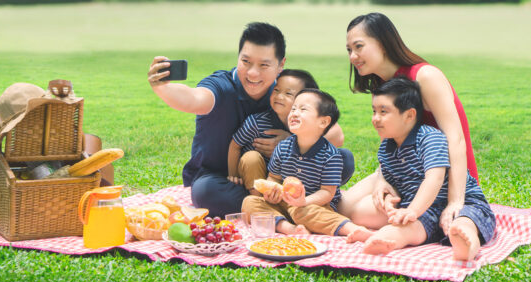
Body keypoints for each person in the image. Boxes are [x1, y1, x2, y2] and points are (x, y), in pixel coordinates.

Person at [147, 22, 353, 217]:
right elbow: (193, 99)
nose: (253, 73)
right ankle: (287, 208)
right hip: (226, 179)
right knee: (204, 192)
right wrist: (161, 87)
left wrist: (292, 140)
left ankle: (277, 206)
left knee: (343, 159)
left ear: (281, 64)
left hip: (279, 175)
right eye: (246, 62)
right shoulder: (221, 85)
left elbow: (336, 135)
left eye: (264, 65)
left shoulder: (284, 93)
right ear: (238, 57)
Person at [339, 12, 479, 235]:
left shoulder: (425, 76)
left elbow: (456, 139)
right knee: (342, 206)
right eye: (349, 50)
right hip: (405, 171)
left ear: (383, 43)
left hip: (441, 175)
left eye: (359, 46)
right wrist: (382, 181)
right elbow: (391, 148)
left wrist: (455, 202)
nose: (353, 56)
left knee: (359, 212)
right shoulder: (384, 86)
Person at [348, 78, 494, 260]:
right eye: (374, 111)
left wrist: (413, 210)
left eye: (383, 112)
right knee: (407, 228)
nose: (375, 119)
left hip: (459, 204)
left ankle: (466, 244)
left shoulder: (429, 138)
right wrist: (390, 201)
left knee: (465, 220)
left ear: (409, 115)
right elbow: (390, 180)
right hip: (425, 210)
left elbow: (434, 178)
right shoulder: (386, 147)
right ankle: (384, 239)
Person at [242, 89, 370, 238]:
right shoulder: (282, 147)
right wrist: (272, 193)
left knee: (305, 212)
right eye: (294, 108)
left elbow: (327, 192)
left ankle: (352, 229)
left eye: (303, 109)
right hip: (283, 203)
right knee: (250, 202)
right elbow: (274, 178)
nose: (294, 113)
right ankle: (288, 228)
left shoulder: (331, 155)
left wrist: (303, 201)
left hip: (312, 206)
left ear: (323, 121)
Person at [227, 69, 318, 195]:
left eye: (288, 93)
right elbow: (234, 145)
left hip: (282, 180)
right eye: (276, 90)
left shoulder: (305, 129)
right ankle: (258, 201)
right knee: (251, 158)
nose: (279, 96)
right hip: (254, 176)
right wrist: (233, 175)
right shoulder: (256, 123)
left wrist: (292, 140)